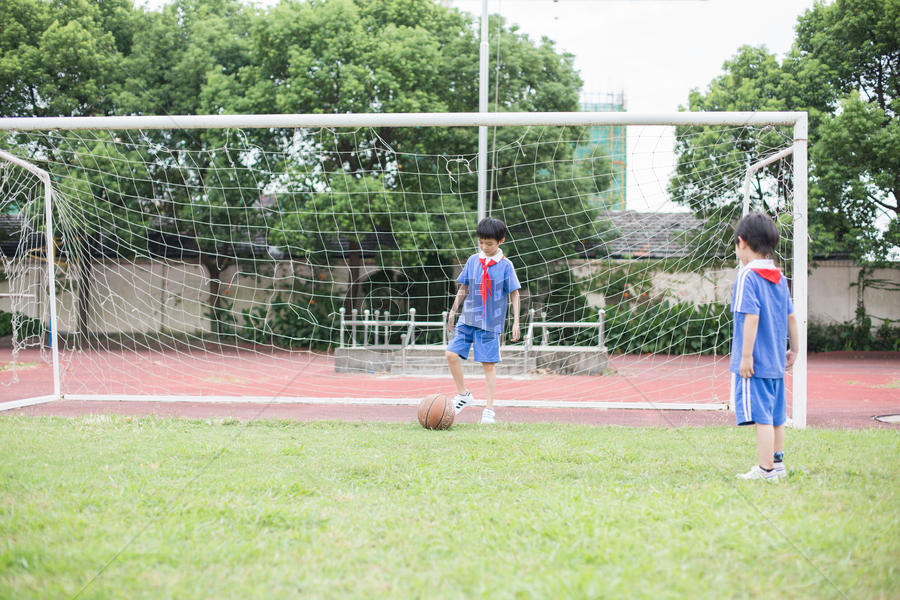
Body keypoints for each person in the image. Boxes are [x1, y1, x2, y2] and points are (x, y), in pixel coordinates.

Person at [730, 212, 799, 481]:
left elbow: (752, 316)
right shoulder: (779, 277)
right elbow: (791, 317)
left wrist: (746, 356)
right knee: (777, 416)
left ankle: (765, 469)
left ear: (742, 242)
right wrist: (794, 349)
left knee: (762, 418)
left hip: (756, 362)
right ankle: (777, 464)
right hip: (776, 362)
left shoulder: (747, 276)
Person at [445, 217, 521, 424]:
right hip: (468, 318)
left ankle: (489, 410)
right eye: (481, 242)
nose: (485, 247)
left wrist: (515, 322)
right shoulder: (472, 260)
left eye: (490, 243)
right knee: (451, 354)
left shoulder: (506, 265)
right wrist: (453, 311)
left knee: (488, 365)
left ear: (501, 241)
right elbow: (464, 287)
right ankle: (463, 395)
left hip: (490, 323)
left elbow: (514, 293)